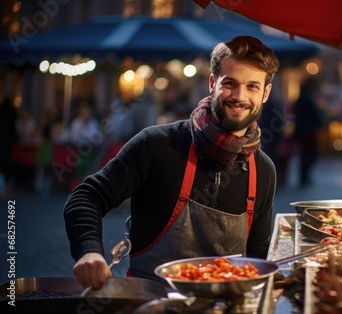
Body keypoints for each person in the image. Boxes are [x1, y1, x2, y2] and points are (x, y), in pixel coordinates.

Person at [63, 36, 280, 289]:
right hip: (149, 302)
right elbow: (86, 197)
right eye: (230, 83)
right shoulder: (158, 144)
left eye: (252, 86)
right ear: (212, 83)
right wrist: (89, 250)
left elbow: (255, 259)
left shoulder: (263, 171)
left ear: (265, 93)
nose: (240, 96)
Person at [292, 77, 326, 186]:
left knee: (305, 154)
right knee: (310, 154)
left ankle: (304, 176)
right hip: (308, 131)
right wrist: (321, 122)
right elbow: (314, 114)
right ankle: (304, 176)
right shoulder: (307, 98)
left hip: (303, 130)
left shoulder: (302, 98)